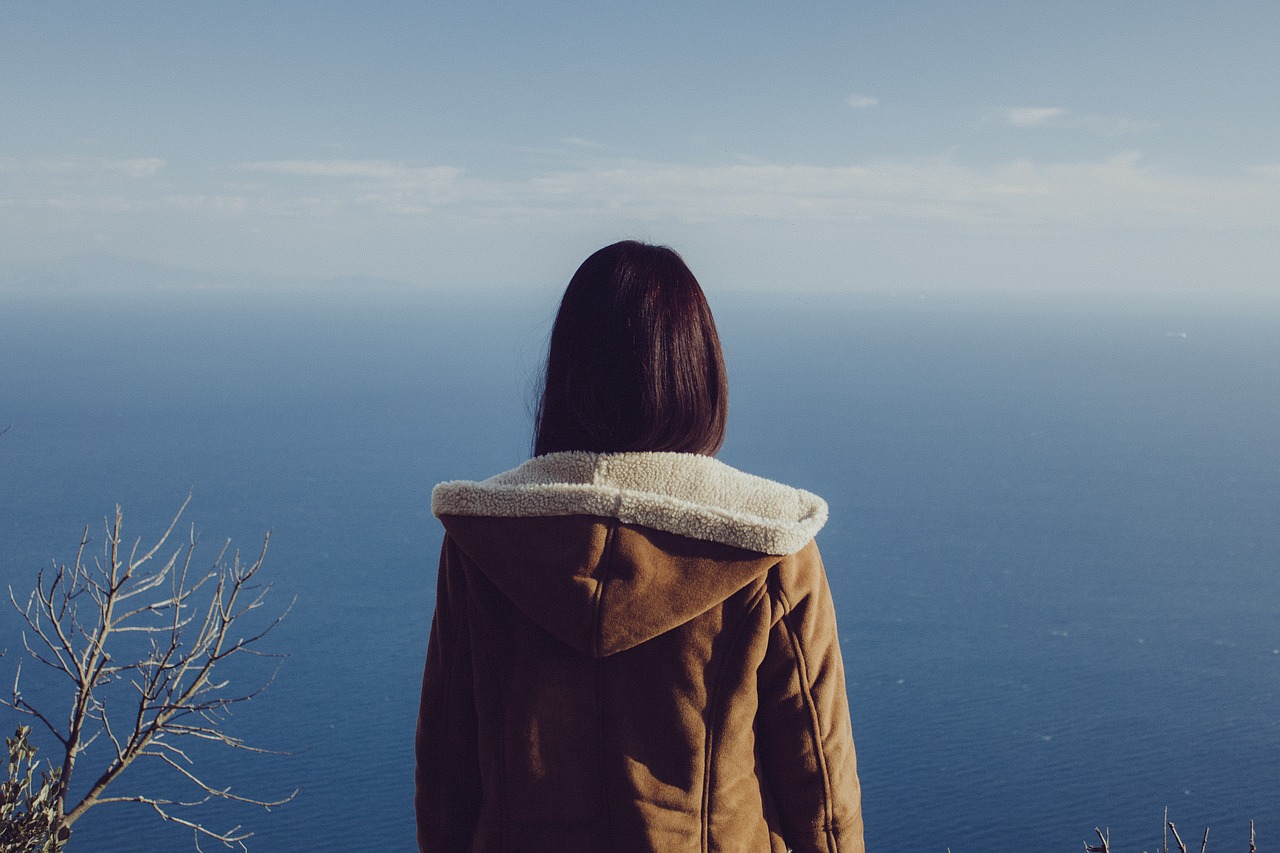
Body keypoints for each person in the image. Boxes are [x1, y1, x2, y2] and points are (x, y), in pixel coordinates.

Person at [416, 241, 864, 852]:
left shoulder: (485, 540)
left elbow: (447, 780)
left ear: (567, 372)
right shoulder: (767, 549)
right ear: (699, 370)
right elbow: (820, 792)